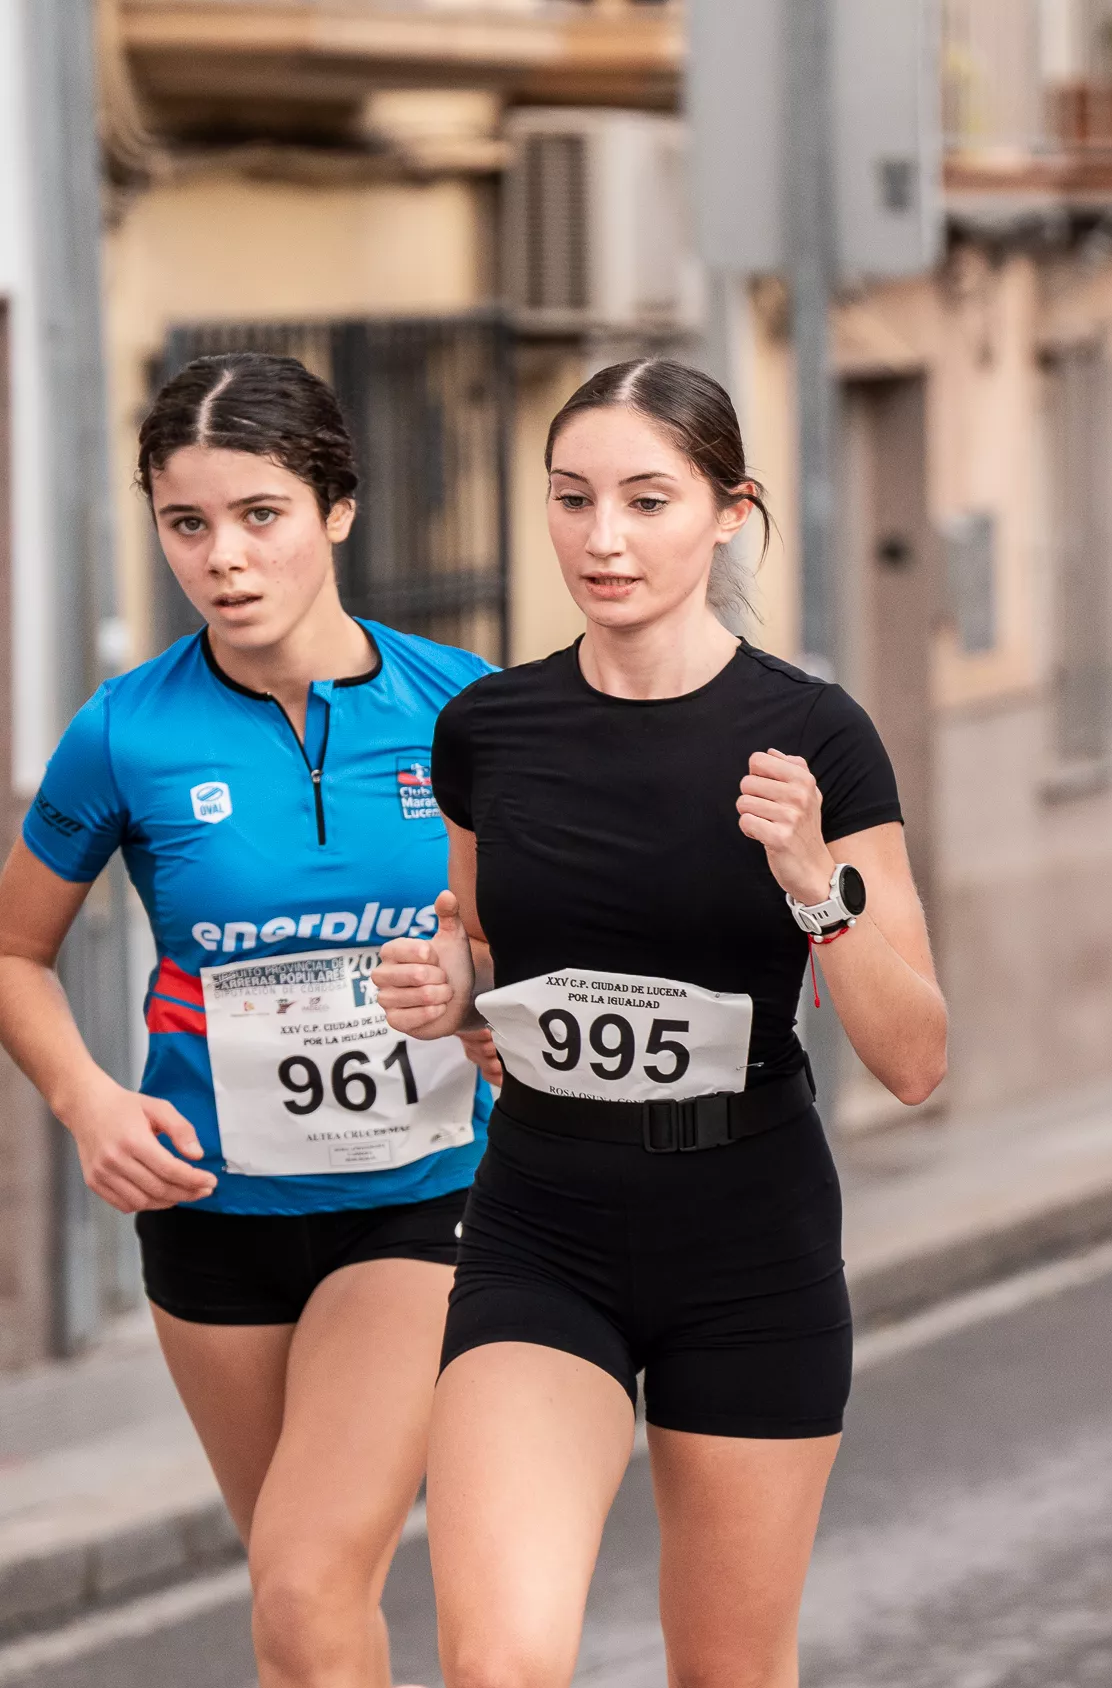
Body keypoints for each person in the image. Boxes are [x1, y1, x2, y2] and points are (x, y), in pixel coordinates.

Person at [372, 359, 947, 1688]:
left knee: (729, 1671)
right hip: (544, 1220)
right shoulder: (487, 731)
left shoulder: (815, 737)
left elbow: (914, 1057)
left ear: (729, 513)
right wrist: (450, 995)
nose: (603, 537)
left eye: (646, 498)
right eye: (572, 500)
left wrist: (815, 884)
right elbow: (489, 979)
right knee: (500, 1661)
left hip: (749, 1234)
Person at [0, 354, 492, 1688]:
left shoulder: (461, 705)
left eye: (260, 514)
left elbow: (533, 934)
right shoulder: (126, 733)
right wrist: (88, 1101)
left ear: (336, 508)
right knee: (297, 1612)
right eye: (188, 523)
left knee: (307, 1572)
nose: (224, 558)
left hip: (423, 1200)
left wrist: (469, 989)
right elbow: (13, 952)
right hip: (211, 1214)